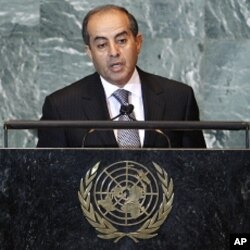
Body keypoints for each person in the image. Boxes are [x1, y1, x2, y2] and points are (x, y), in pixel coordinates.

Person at [37, 4, 206, 148]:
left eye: (121, 41)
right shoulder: (61, 107)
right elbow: (47, 177)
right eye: (102, 45)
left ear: (138, 43)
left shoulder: (179, 98)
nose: (113, 52)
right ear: (90, 52)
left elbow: (199, 172)